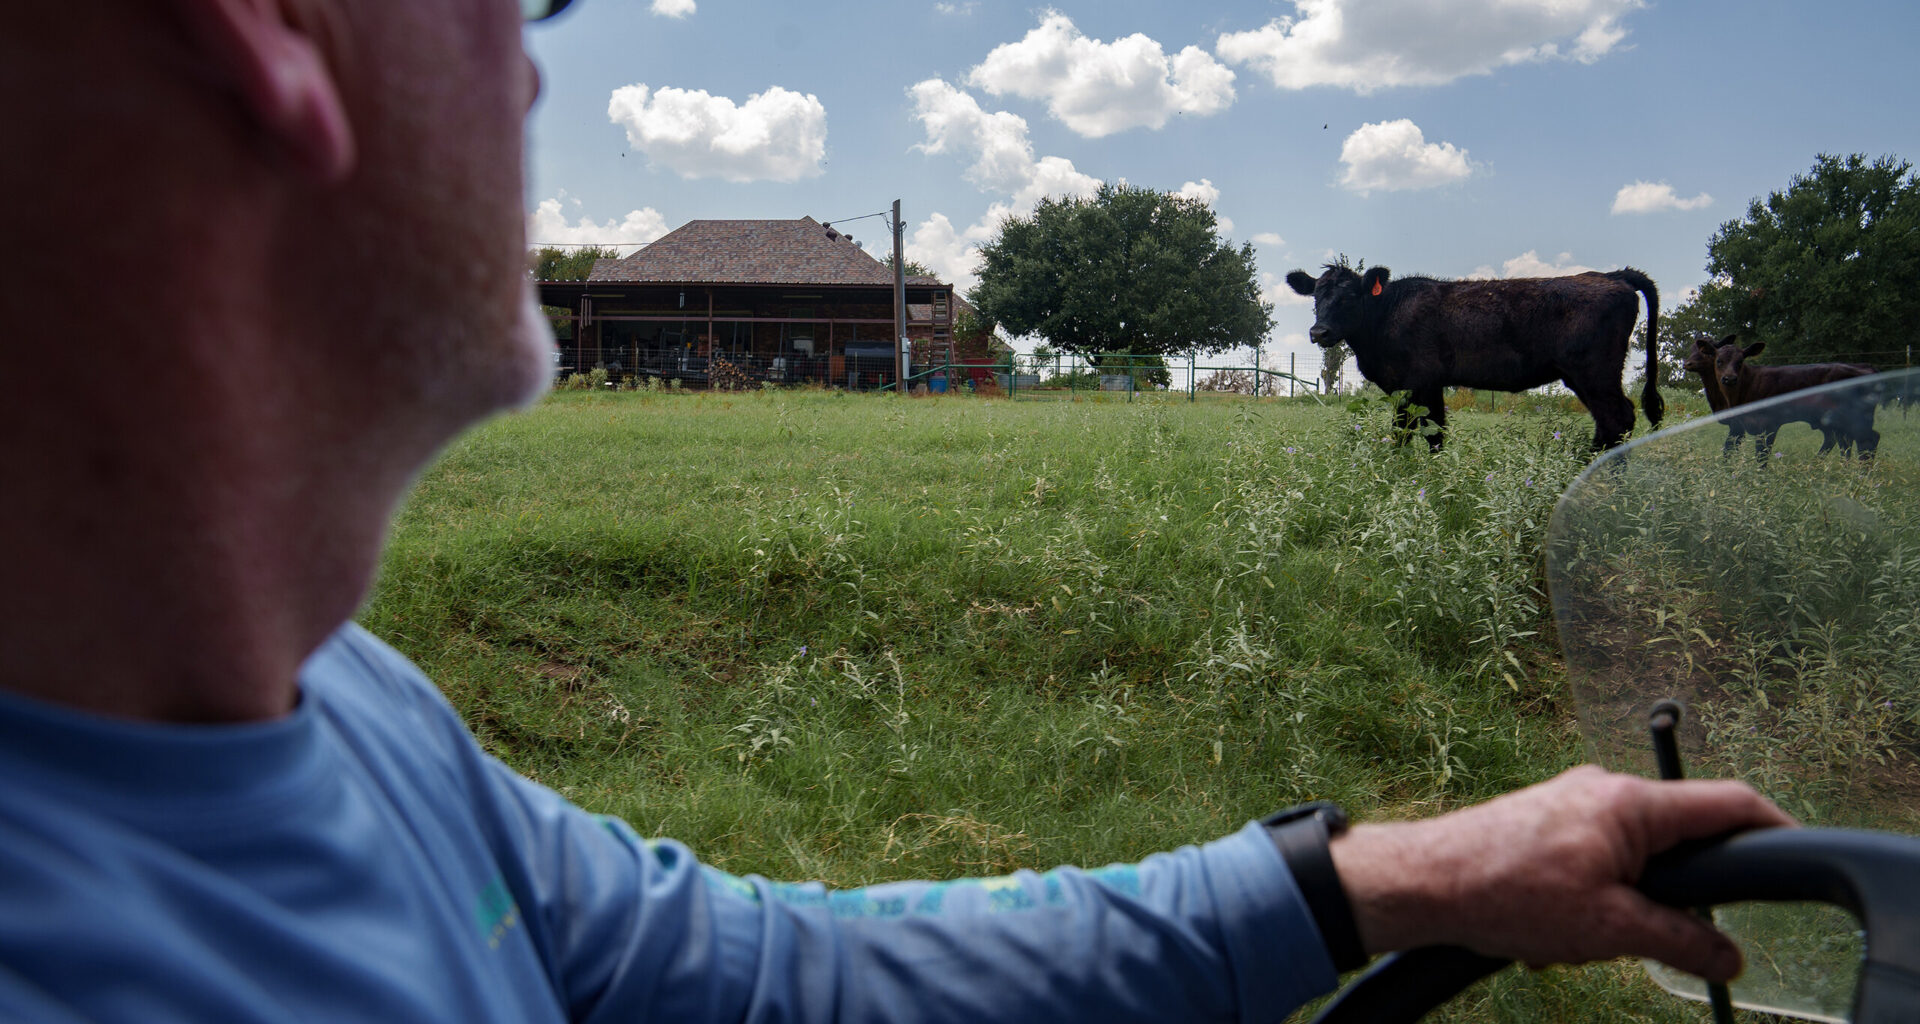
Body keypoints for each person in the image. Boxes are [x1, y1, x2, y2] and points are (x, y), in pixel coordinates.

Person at [0, 1, 1793, 1021]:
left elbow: (763, 976)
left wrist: (1388, 875)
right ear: (274, 32)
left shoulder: (346, 705)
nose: (538, 62)